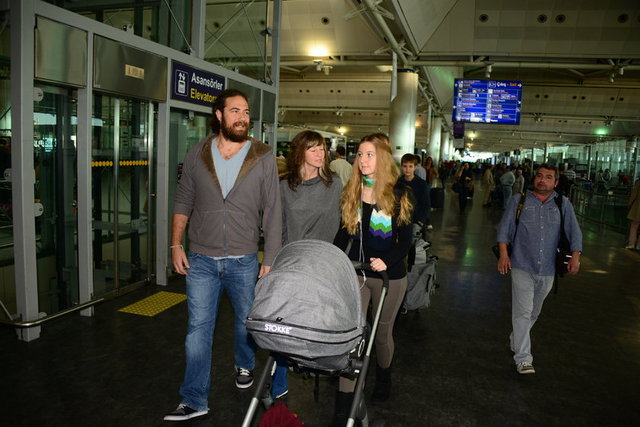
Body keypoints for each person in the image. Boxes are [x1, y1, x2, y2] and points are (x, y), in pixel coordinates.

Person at [165, 89, 282, 421]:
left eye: (246, 112)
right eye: (235, 111)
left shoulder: (262, 155)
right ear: (218, 115)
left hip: (244, 259)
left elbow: (273, 209)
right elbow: (183, 200)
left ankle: (244, 363)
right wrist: (176, 244)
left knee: (247, 324)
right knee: (197, 330)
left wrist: (270, 258)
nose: (243, 117)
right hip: (201, 259)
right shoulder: (197, 153)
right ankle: (194, 399)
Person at [332, 134, 413, 424]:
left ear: (383, 159)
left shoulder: (399, 194)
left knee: (381, 334)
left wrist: (387, 260)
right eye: (360, 154)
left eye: (370, 155)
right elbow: (344, 233)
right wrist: (331, 258)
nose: (363, 160)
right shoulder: (353, 191)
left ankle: (384, 376)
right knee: (353, 336)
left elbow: (406, 241)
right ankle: (344, 406)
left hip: (390, 276)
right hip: (359, 272)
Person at [273, 130, 344, 400]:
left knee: (319, 321)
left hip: (324, 265)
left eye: (322, 148)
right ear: (300, 152)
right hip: (292, 265)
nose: (320, 154)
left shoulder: (334, 185)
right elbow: (278, 228)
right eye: (313, 149)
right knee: (284, 323)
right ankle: (279, 380)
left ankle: (322, 364)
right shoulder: (284, 187)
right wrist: (276, 263)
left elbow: (345, 224)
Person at [496, 163, 582, 375]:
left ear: (556, 182)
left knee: (534, 311)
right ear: (534, 178)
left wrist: (576, 257)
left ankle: (516, 338)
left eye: (548, 177)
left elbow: (574, 232)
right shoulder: (519, 200)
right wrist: (504, 255)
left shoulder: (563, 204)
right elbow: (504, 229)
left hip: (548, 268)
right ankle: (523, 358)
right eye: (539, 176)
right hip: (521, 264)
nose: (542, 180)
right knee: (523, 311)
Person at [397, 153, 429, 232]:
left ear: (415, 167)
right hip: (399, 221)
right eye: (405, 166)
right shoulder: (398, 183)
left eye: (410, 166)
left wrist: (420, 222)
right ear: (401, 167)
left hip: (415, 221)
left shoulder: (422, 184)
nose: (407, 169)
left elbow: (426, 204)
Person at [423, 156, 438, 229]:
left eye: (430, 160)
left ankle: (427, 203)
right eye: (428, 160)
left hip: (429, 182)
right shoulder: (424, 167)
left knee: (427, 194)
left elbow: (437, 174)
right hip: (424, 182)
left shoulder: (432, 168)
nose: (429, 161)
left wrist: (434, 176)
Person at [626, 178, 640, 250]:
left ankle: (631, 243)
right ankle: (639, 245)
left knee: (634, 225)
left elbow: (634, 195)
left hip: (638, 207)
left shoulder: (639, 182)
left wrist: (629, 204)